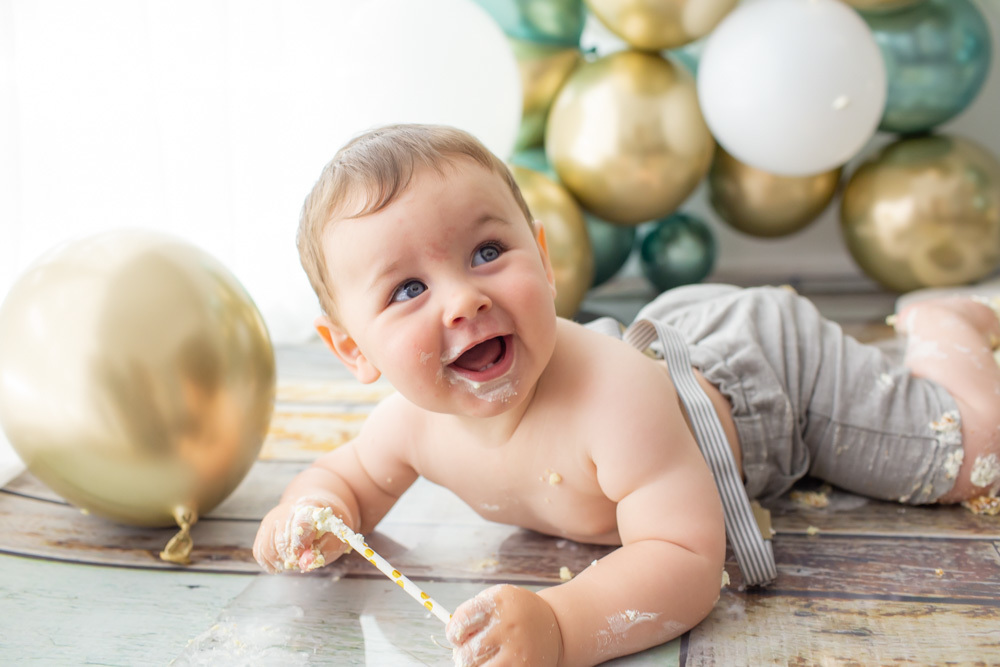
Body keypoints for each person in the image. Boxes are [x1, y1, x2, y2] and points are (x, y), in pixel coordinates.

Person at [253, 123, 1000, 666]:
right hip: (680, 339)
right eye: (408, 288)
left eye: (488, 253)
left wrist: (559, 623)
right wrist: (310, 512)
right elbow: (345, 476)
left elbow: (684, 558)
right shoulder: (409, 424)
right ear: (352, 349)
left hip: (772, 380)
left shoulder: (614, 400)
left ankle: (946, 325)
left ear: (542, 261)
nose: (463, 301)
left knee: (973, 455)